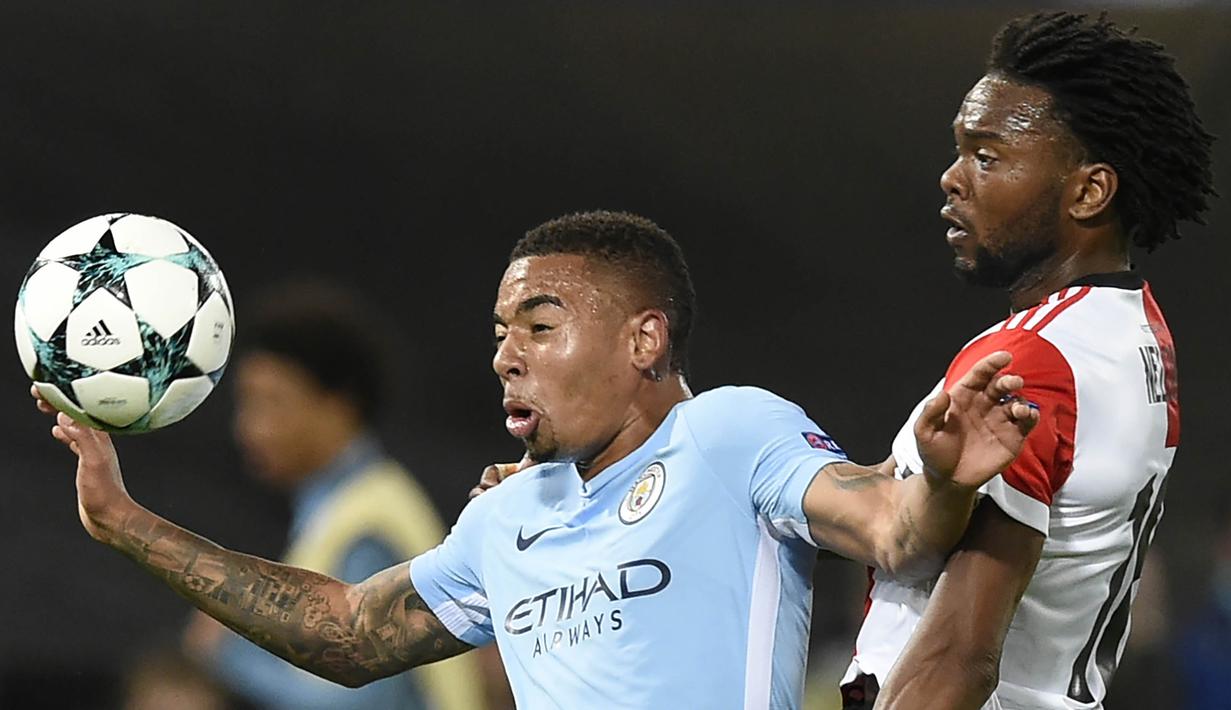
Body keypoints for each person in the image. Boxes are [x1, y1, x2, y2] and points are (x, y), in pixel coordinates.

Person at [33, 210, 1038, 709]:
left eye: (540, 325)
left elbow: (893, 527)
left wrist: (944, 479)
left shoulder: (728, 435)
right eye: (499, 332)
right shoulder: (505, 516)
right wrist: (127, 523)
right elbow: (345, 632)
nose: (505, 355)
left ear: (644, 339)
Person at [841, 12, 1215, 710]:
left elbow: (958, 658)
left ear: (1088, 192)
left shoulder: (1030, 359)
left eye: (986, 156)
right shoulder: (1135, 330)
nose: (951, 178)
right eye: (959, 151)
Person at [179, 282, 491, 710]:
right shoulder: (343, 507)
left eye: (272, 402)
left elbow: (373, 702)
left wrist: (229, 654)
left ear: (338, 405)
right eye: (246, 403)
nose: (248, 427)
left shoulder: (368, 525)